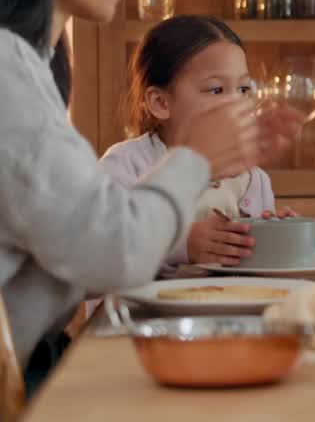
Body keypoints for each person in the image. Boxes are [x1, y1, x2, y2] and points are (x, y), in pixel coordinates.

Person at [0, 0, 301, 387]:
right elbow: (110, 254)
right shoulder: (6, 73)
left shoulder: (27, 67)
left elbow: (76, 252)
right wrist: (194, 158)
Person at [100, 15, 296, 270]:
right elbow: (101, 254)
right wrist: (182, 244)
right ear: (160, 103)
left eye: (244, 89)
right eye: (216, 90)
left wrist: (277, 236)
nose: (238, 103)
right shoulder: (126, 165)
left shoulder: (255, 180)